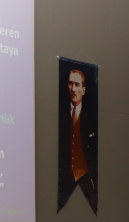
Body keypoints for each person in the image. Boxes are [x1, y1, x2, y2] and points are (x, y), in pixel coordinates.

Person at [57, 68, 98, 213]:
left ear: (83, 90)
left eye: (77, 84)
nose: (73, 89)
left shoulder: (92, 120)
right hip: (64, 179)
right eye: (70, 84)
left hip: (85, 176)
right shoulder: (59, 116)